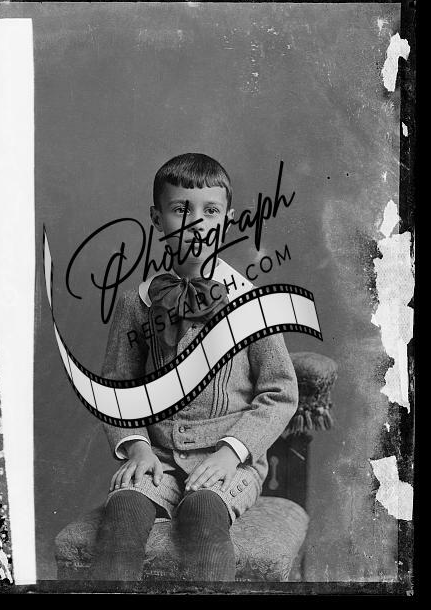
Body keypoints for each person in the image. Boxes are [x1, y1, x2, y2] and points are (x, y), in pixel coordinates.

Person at [90, 153, 298, 581]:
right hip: (159, 457)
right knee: (123, 511)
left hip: (229, 460)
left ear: (228, 220)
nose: (196, 223)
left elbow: (280, 392)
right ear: (157, 218)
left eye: (211, 211)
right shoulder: (137, 303)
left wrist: (231, 452)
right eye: (181, 209)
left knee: (203, 513)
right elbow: (118, 391)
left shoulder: (252, 302)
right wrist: (138, 448)